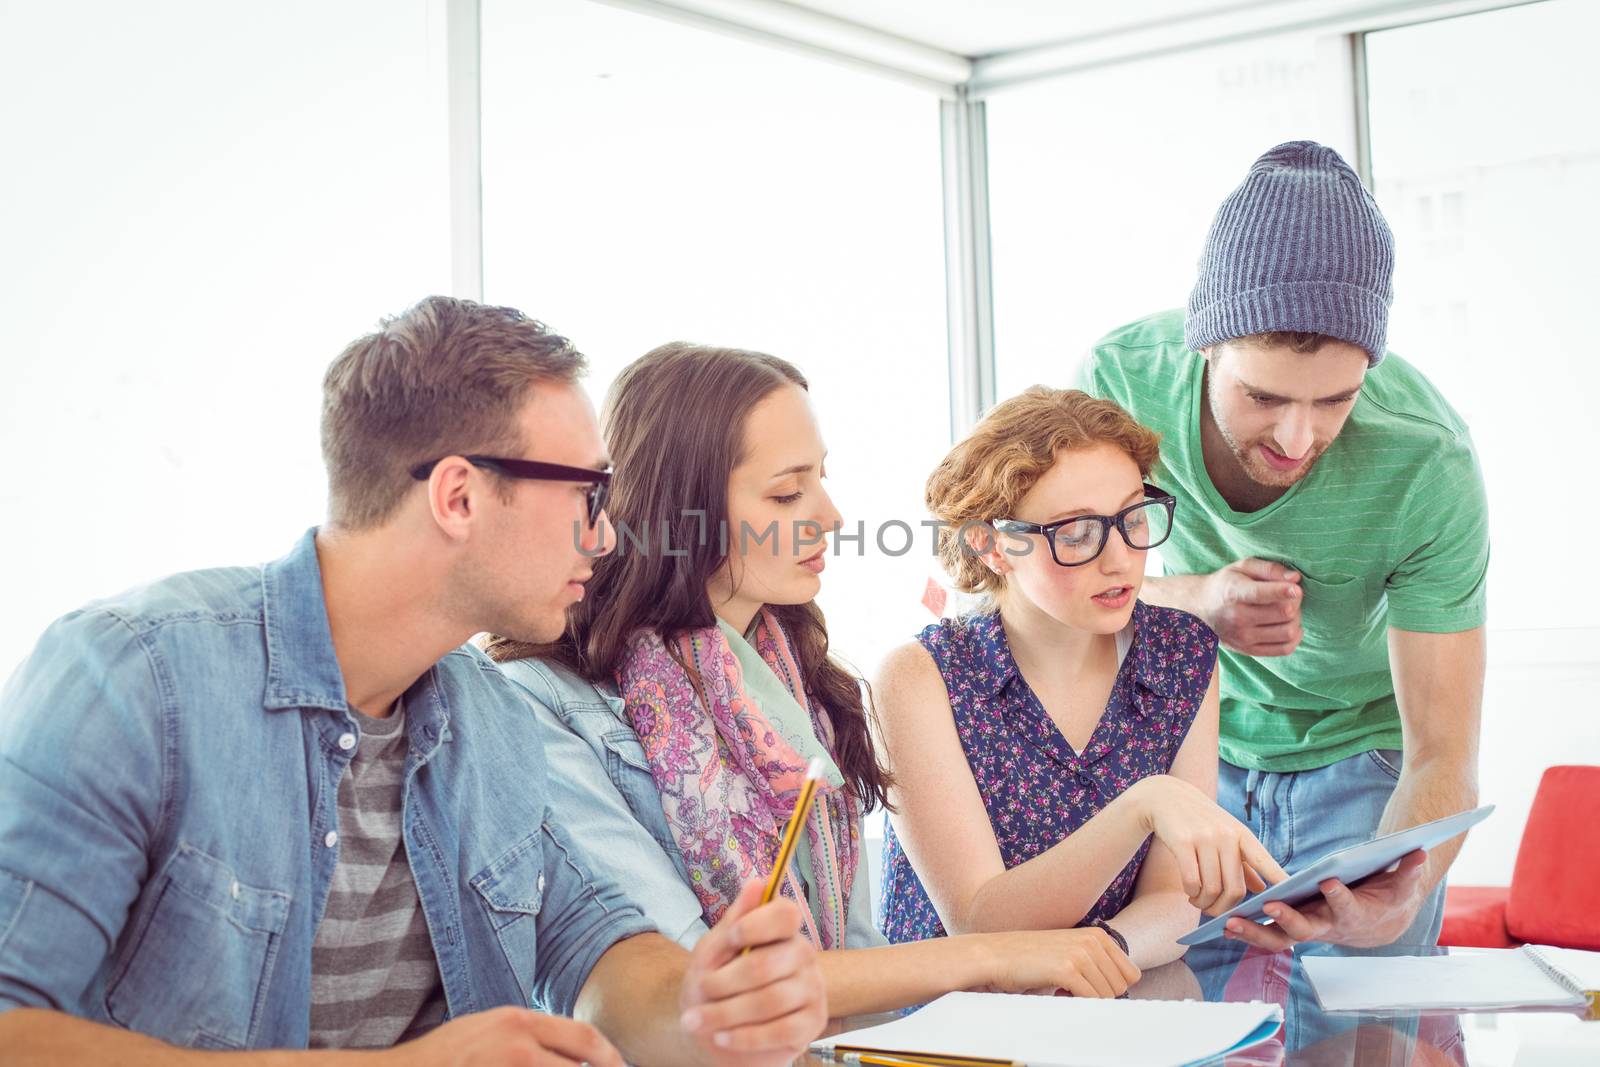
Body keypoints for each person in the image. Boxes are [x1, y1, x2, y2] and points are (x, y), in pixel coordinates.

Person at [0, 298, 825, 1066]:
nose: (607, 535)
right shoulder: (132, 677)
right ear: (459, 495)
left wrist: (708, 1002)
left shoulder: (492, 718)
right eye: (587, 493)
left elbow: (598, 945)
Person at [490, 343, 1145, 1012]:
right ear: (680, 512)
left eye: (822, 478)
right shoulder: (544, 703)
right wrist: (993, 954)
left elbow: (851, 955)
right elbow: (685, 986)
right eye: (786, 491)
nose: (830, 516)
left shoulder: (804, 686)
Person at [1079, 141, 1487, 966]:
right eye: (1263, 396)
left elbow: (1443, 750)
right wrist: (1203, 601)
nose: (1299, 438)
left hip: (1367, 765)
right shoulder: (1119, 380)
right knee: (1174, 1030)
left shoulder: (1428, 459)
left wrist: (1403, 890)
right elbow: (1059, 583)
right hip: (1189, 753)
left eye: (1336, 398)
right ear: (1204, 345)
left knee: (1362, 1039)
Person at [874, 387, 1285, 968]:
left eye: (1133, 517)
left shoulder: (1181, 653)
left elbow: (1171, 898)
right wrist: (1144, 804)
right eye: (1076, 533)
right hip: (950, 1027)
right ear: (992, 546)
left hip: (1106, 1006)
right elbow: (977, 919)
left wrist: (1103, 957)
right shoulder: (920, 676)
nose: (1119, 558)